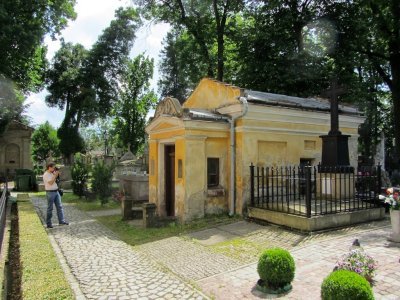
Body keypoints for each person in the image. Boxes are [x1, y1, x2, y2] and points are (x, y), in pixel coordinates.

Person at [43, 162, 69, 228]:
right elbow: (51, 183)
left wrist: (57, 175)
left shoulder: (52, 173)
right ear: (49, 167)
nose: (54, 168)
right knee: (50, 208)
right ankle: (49, 224)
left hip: (56, 191)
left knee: (59, 207)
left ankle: (61, 221)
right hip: (50, 192)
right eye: (53, 167)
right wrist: (55, 175)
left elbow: (56, 181)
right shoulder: (46, 174)